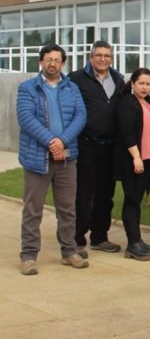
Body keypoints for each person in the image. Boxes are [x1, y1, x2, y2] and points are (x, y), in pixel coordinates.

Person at [17, 43, 88, 275]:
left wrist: (62, 141)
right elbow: (26, 118)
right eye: (48, 59)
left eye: (57, 60)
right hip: (38, 159)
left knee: (67, 209)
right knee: (33, 210)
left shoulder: (72, 88)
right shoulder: (27, 88)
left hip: (66, 159)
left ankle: (69, 252)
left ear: (63, 63)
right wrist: (51, 142)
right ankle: (28, 256)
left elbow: (80, 116)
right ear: (41, 62)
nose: (52, 63)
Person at [69, 41, 125, 258]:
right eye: (99, 55)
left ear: (111, 58)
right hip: (86, 144)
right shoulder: (76, 79)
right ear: (90, 57)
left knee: (105, 194)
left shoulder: (118, 79)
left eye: (107, 55)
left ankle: (99, 237)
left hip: (110, 146)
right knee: (84, 194)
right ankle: (76, 240)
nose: (103, 59)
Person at [116, 68, 150, 261]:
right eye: (141, 83)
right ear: (132, 84)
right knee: (132, 200)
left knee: (136, 200)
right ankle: (133, 244)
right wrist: (136, 157)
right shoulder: (128, 103)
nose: (145, 87)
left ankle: (137, 240)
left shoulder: (147, 103)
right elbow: (126, 131)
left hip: (149, 160)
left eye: (148, 84)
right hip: (135, 160)